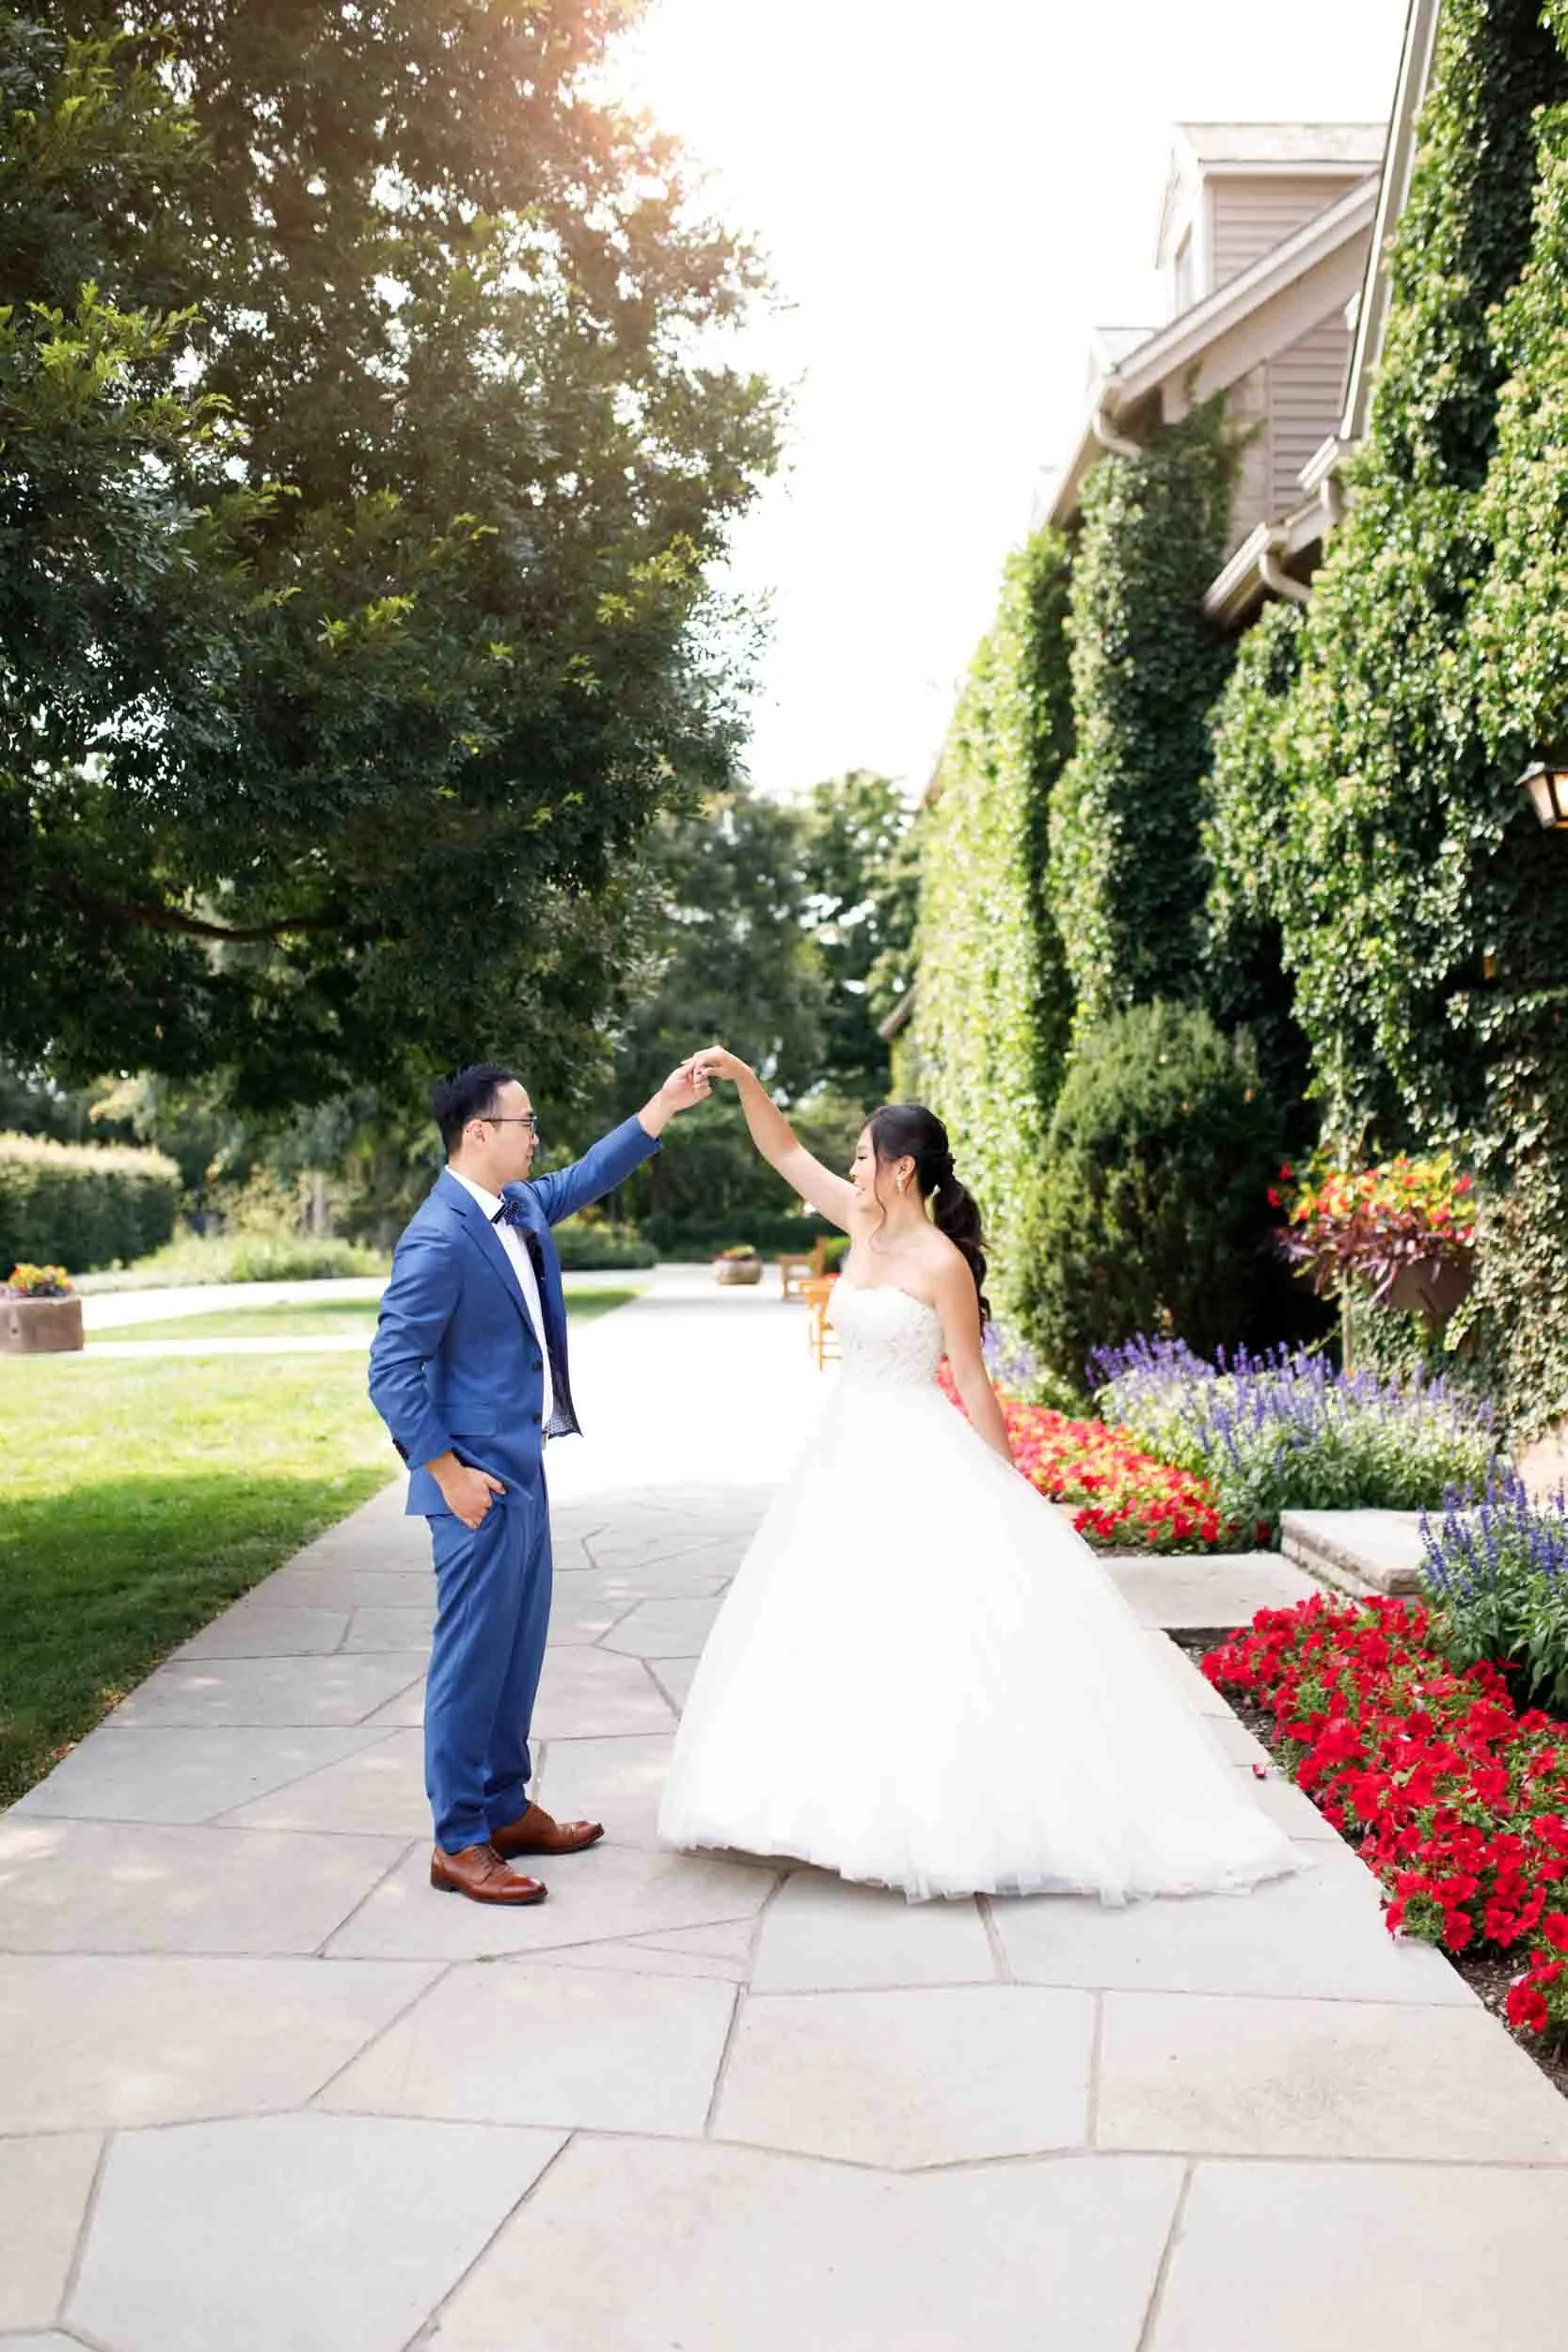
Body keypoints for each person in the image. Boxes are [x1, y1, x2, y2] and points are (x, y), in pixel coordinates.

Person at [657, 1050, 1303, 1903]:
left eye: (861, 1156)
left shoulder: (939, 1263)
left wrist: (1007, 1492)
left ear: (902, 1169)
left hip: (916, 1456)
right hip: (842, 1454)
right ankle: (823, 1808)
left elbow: (969, 1380)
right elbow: (782, 1153)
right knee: (824, 1626)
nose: (849, 1168)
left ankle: (932, 1822)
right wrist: (743, 1079)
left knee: (928, 1634)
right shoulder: (859, 1221)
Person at [369, 1057, 708, 1905]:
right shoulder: (439, 1236)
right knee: (469, 1663)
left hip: (525, 1471)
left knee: (516, 1654)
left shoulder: (515, 1207)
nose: (535, 1137)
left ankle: (504, 1807)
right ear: (477, 1132)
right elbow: (390, 1369)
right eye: (523, 1123)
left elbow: (588, 1174)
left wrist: (660, 1106)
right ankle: (457, 1841)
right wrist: (447, 1473)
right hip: (475, 1489)